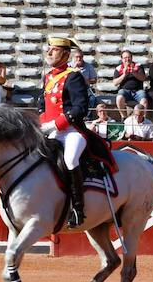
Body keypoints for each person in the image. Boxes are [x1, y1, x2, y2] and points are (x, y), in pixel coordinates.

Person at [38, 36, 112, 228]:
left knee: (70, 159)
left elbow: (80, 108)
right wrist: (42, 122)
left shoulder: (73, 76)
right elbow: (42, 105)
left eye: (53, 50)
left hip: (71, 131)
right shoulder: (48, 77)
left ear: (65, 54)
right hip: (49, 129)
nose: (49, 53)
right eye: (49, 49)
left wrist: (56, 124)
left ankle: (78, 209)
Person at [113, 49, 147, 120]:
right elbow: (115, 83)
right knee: (119, 98)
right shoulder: (118, 68)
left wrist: (134, 72)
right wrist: (124, 75)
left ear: (131, 58)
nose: (127, 59)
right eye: (125, 58)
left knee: (144, 100)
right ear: (122, 59)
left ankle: (142, 119)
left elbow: (143, 78)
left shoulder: (138, 66)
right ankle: (124, 117)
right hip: (125, 91)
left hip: (138, 91)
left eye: (129, 57)